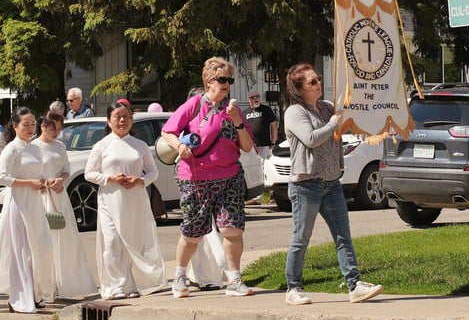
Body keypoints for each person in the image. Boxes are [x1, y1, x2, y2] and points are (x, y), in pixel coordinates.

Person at [281, 62, 383, 305]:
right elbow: (311, 139)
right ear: (299, 88)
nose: (318, 84)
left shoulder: (327, 108)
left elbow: (346, 121)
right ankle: (293, 288)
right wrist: (333, 123)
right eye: (312, 82)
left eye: (318, 79)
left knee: (342, 236)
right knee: (301, 238)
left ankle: (354, 284)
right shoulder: (295, 112)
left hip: (331, 183)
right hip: (306, 185)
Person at [163, 59, 256, 299]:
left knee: (232, 229)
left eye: (229, 81)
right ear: (208, 82)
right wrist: (179, 146)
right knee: (193, 233)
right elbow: (168, 130)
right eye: (222, 80)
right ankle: (180, 277)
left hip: (230, 177)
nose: (226, 85)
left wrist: (237, 121)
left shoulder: (233, 111)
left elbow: (246, 147)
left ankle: (235, 279)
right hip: (195, 177)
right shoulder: (194, 105)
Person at [84, 99, 167, 300]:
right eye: (117, 117)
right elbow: (89, 173)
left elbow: (153, 172)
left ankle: (132, 285)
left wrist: (140, 180)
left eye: (126, 117)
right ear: (109, 121)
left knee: (134, 241)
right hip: (110, 199)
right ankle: (114, 285)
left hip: (135, 200)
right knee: (112, 241)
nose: (122, 121)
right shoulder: (101, 146)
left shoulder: (139, 145)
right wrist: (109, 178)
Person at [0, 108, 58, 312]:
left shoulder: (36, 148)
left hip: (36, 203)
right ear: (15, 126)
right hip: (18, 203)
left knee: (41, 248)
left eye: (33, 125)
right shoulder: (12, 149)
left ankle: (36, 292)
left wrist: (45, 182)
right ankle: (19, 296)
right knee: (22, 251)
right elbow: (1, 177)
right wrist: (29, 183)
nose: (30, 129)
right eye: (25, 125)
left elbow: (39, 173)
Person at [35, 108, 97, 300]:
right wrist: (44, 183)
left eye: (59, 129)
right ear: (44, 127)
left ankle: (66, 281)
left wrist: (61, 180)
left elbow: (67, 169)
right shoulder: (34, 147)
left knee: (63, 237)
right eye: (53, 128)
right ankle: (47, 283)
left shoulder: (60, 146)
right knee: (46, 239)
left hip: (59, 196)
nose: (56, 133)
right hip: (42, 197)